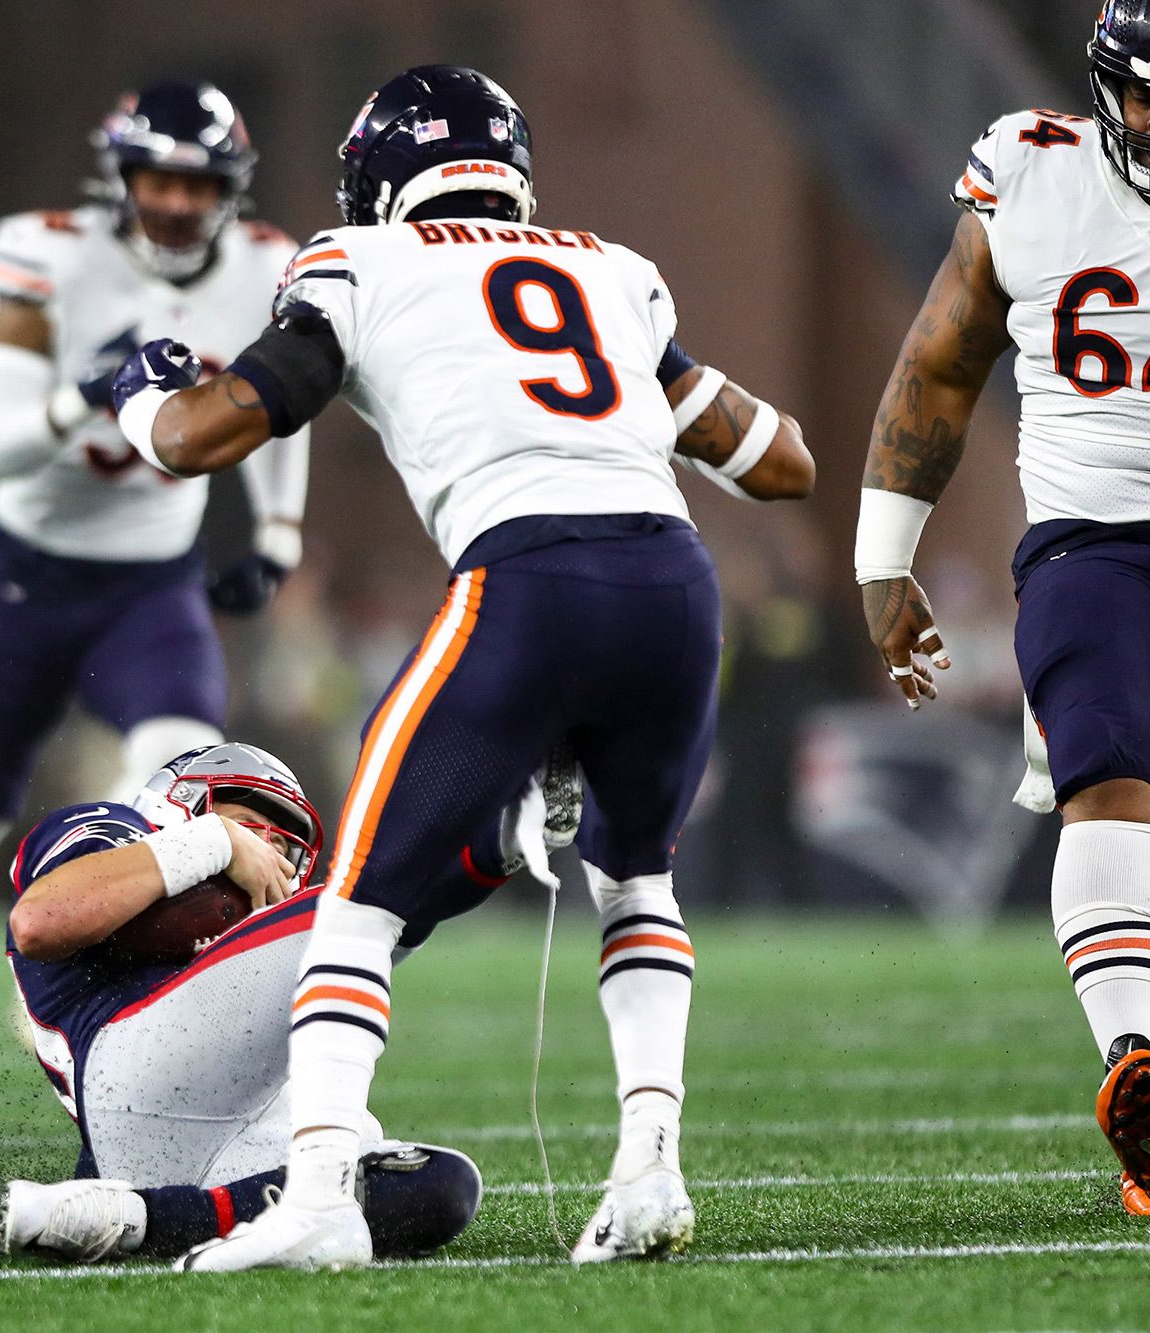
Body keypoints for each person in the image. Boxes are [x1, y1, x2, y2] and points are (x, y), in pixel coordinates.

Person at [108, 65, 814, 1270]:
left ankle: (322, 1192)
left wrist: (140, 396)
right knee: (636, 886)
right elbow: (781, 461)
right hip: (672, 587)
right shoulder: (612, 268)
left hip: (524, 576)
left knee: (354, 906)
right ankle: (649, 1170)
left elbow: (200, 436)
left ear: (378, 182)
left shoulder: (357, 260)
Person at [854, 0, 1150, 1218]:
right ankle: (1127, 1059)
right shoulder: (1027, 166)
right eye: (1139, 90)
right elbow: (941, 359)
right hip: (1086, 547)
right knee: (1109, 772)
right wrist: (883, 560)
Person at [0, 82, 310, 1130]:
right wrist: (80, 392)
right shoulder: (47, 254)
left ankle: (95, 990)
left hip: (152, 579)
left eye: (197, 181)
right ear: (119, 177)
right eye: (158, 177)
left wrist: (275, 534)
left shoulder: (261, 271)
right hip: (27, 576)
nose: (178, 201)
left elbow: (289, 399)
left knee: (182, 794)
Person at [0, 743, 486, 1264]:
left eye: (285, 849)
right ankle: (496, 837)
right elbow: (40, 921)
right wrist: (217, 839)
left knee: (438, 1186)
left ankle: (131, 1218)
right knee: (371, 895)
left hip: (205, 1126)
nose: (269, 858)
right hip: (133, 1065)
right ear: (180, 802)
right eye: (252, 828)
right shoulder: (114, 827)